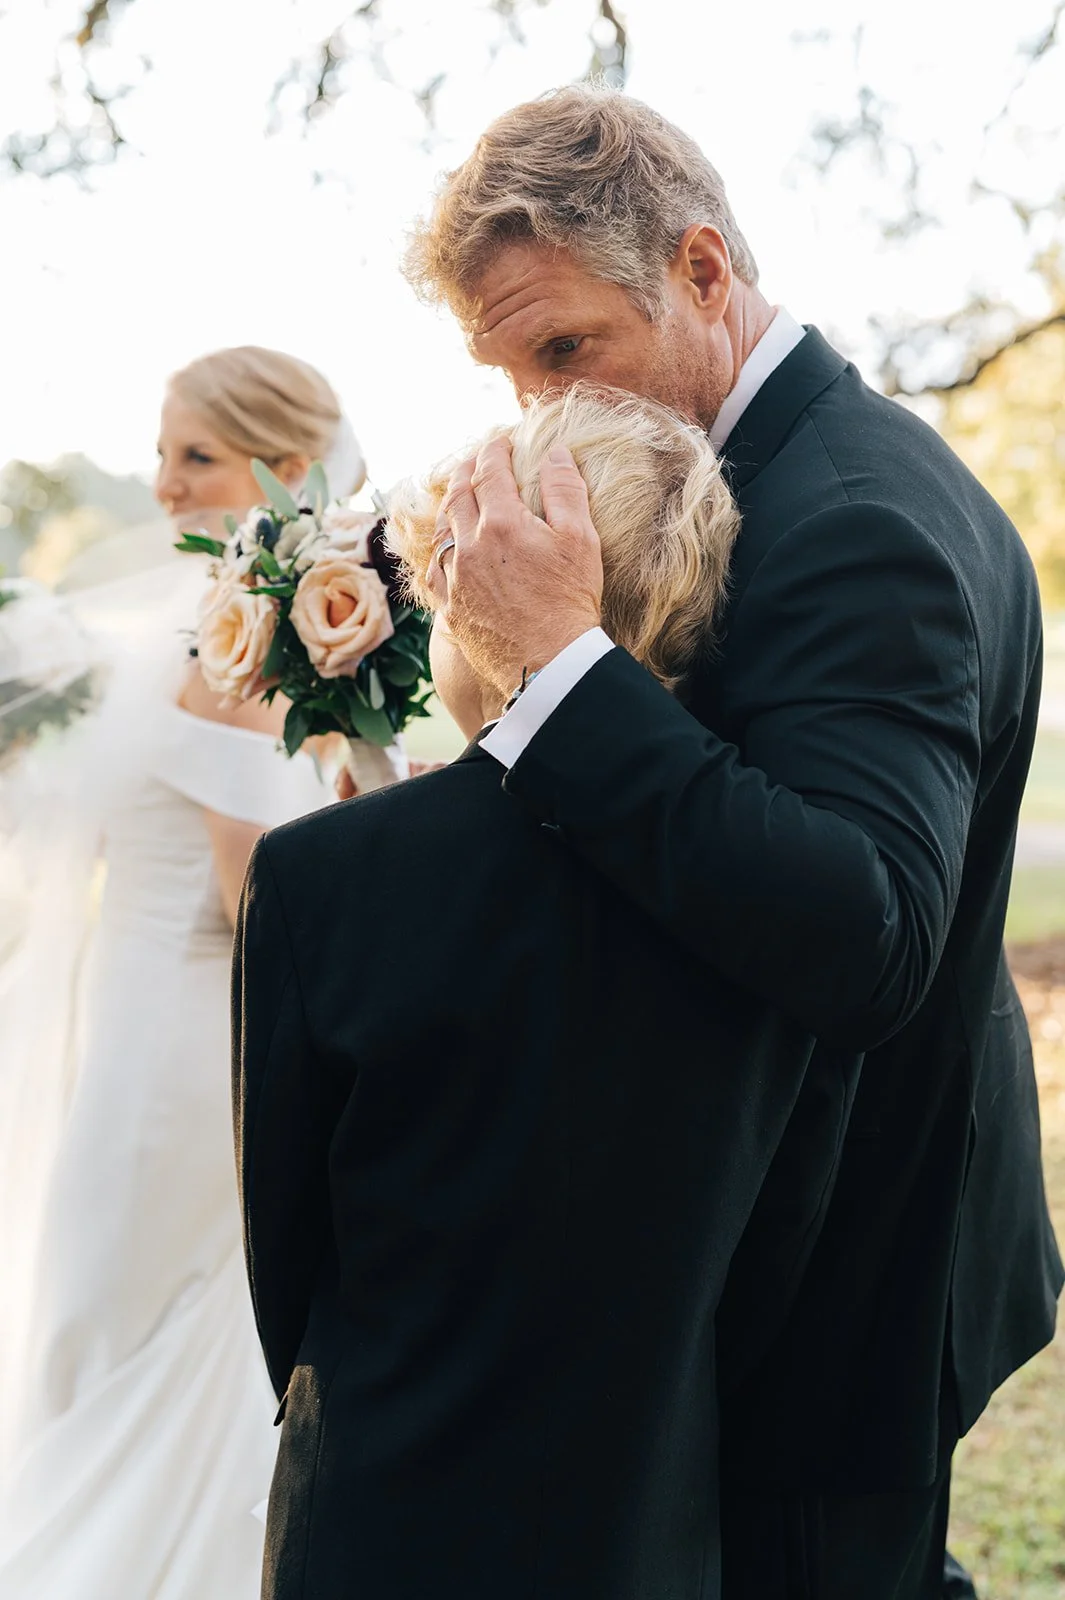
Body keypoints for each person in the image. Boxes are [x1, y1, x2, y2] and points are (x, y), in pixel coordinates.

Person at [405, 86, 1063, 1598]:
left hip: (846, 1268)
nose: (546, 415)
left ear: (703, 272)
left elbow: (865, 925)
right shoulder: (779, 468)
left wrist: (563, 668)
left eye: (569, 350)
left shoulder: (849, 514)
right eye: (513, 379)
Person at [233, 384, 818, 1599]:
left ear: (471, 574)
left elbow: (284, 1275)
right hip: (649, 1529)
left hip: (384, 1522)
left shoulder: (319, 874)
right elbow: (778, 1252)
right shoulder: (773, 885)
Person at [0, 346, 365, 1598]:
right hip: (201, 1047)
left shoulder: (208, 630)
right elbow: (259, 904)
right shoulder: (226, 650)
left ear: (289, 467)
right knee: (164, 1336)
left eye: (194, 456)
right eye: (161, 453)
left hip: (147, 1029)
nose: (162, 485)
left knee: (123, 1338)